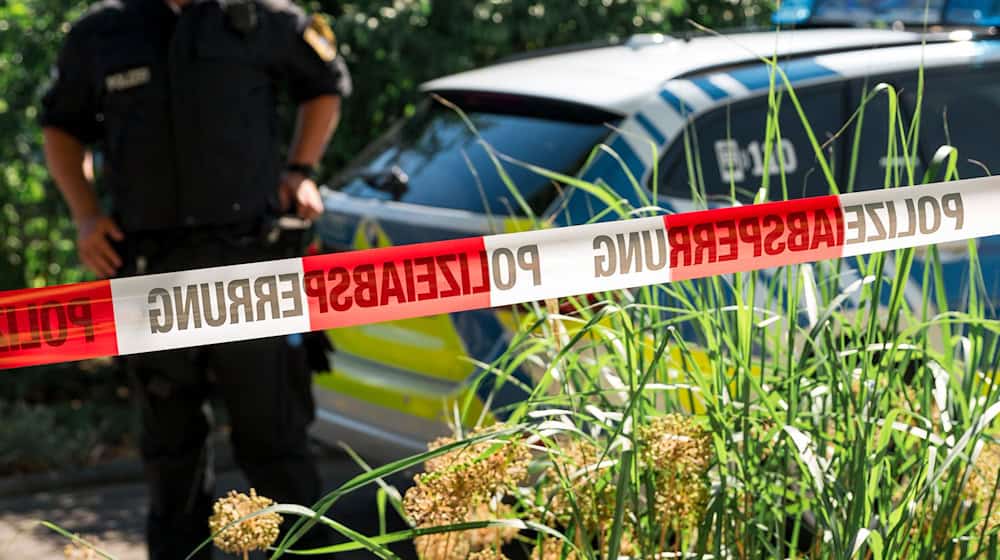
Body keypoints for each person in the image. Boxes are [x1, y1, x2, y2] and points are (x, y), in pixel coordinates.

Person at [40, 0, 351, 557]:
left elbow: (324, 86)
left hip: (250, 270)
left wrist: (301, 171)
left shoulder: (264, 18)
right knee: (171, 463)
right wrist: (87, 215)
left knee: (277, 451)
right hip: (148, 274)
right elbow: (62, 129)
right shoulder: (101, 33)